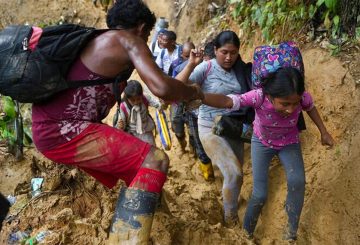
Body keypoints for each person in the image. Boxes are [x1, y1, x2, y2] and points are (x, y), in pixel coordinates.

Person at [31, 0, 203, 243]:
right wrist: (194, 93)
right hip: (63, 129)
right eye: (148, 34)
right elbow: (162, 87)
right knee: (156, 160)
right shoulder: (128, 40)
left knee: (138, 167)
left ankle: (156, 218)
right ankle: (126, 239)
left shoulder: (97, 39)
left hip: (52, 127)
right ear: (142, 28)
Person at [202, 67, 334, 241]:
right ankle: (247, 232)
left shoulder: (301, 97)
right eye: (285, 103)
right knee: (260, 194)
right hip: (262, 143)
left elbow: (310, 108)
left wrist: (324, 132)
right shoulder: (259, 96)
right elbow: (229, 101)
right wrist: (200, 96)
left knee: (298, 182)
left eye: (294, 104)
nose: (290, 109)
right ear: (270, 96)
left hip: (289, 142)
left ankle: (291, 233)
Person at [176, 31, 251, 226]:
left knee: (237, 174)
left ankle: (230, 201)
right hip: (210, 127)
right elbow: (176, 86)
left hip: (234, 127)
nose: (228, 57)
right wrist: (191, 63)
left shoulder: (241, 70)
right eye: (224, 52)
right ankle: (230, 219)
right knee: (234, 173)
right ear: (215, 50)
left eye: (233, 53)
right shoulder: (206, 68)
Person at [167, 42, 195, 154]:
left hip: (193, 102)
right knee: (176, 125)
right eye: (187, 56)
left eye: (191, 55)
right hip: (177, 102)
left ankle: (193, 149)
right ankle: (182, 145)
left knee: (193, 130)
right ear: (181, 55)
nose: (190, 59)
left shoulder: (200, 63)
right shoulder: (175, 65)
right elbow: (169, 82)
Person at [113, 80, 160, 146]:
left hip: (146, 129)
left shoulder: (145, 98)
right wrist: (120, 126)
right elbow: (121, 126)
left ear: (142, 95)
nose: (136, 102)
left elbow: (156, 103)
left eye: (138, 99)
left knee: (151, 148)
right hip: (132, 133)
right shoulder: (123, 107)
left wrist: (161, 105)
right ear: (127, 98)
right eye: (133, 100)